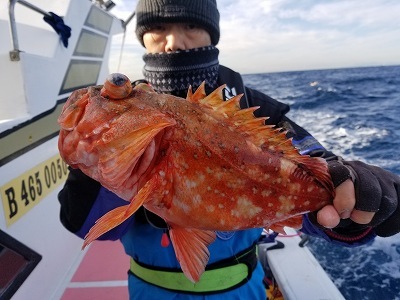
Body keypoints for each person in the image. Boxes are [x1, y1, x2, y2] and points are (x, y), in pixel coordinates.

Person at [58, 0, 400, 299]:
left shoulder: (254, 109)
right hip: (149, 290)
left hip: (242, 290)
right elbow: (86, 226)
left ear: (212, 34)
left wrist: (361, 195)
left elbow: (324, 177)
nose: (174, 42)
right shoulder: (135, 112)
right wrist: (99, 160)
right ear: (142, 38)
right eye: (158, 28)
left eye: (191, 25)